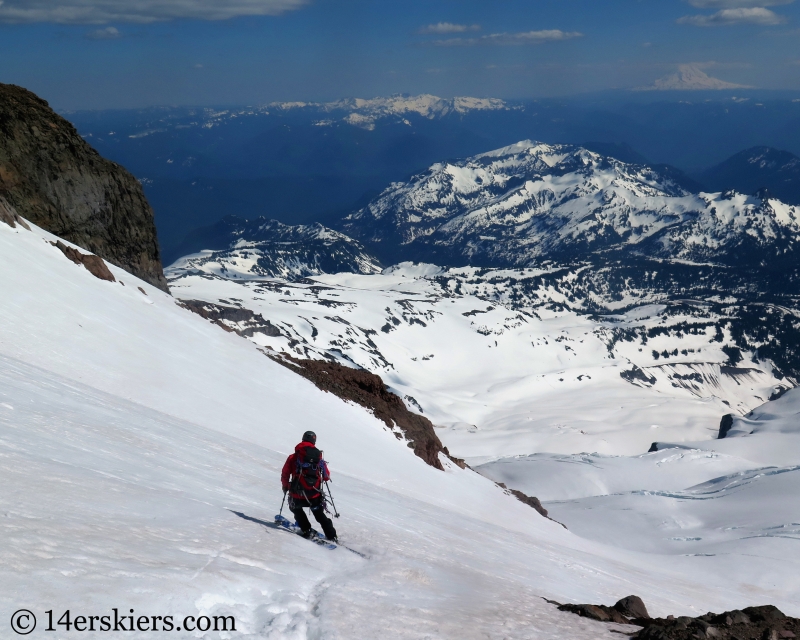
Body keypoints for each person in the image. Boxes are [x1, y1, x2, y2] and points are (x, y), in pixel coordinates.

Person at [281, 431, 338, 542]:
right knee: (319, 514)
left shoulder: (293, 457)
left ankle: (307, 530)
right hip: (314, 494)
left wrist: (285, 486)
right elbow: (326, 477)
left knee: (296, 509)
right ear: (314, 441)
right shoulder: (319, 458)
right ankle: (332, 535)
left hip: (297, 494)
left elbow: (285, 473)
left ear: (302, 439)